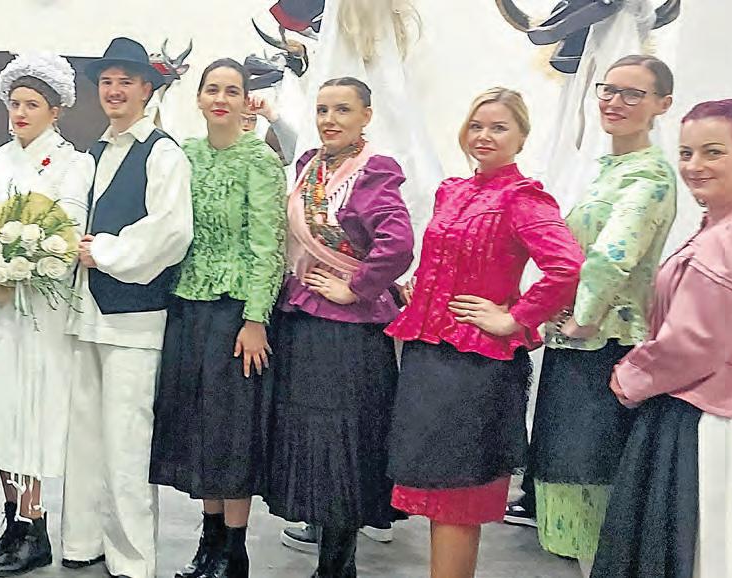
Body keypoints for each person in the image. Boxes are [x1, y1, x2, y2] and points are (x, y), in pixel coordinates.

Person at [592, 98, 732, 578]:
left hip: (720, 424)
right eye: (686, 153)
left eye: (713, 152)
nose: (695, 166)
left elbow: (695, 342)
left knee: (714, 552)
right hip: (713, 415)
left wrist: (630, 376)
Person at [384, 88, 583, 578]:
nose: (484, 136)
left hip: (474, 366)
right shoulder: (451, 190)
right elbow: (446, 257)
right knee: (437, 494)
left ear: (521, 136)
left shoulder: (522, 197)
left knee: (458, 498)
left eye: (498, 127)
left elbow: (567, 266)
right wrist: (422, 288)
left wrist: (515, 318)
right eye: (476, 125)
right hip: (429, 360)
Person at [526, 55, 678, 574]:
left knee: (590, 480)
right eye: (608, 90)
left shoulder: (651, 175)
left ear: (662, 105)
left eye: (633, 94)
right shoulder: (606, 170)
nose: (615, 102)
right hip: (576, 345)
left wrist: (582, 318)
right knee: (566, 477)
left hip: (605, 346)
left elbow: (614, 254)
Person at [261, 77, 413, 577]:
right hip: (304, 322)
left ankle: (336, 566)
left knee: (344, 442)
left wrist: (357, 287)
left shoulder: (375, 171)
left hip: (350, 334)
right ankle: (326, 546)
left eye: (343, 110)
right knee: (311, 437)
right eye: (323, 109)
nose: (330, 120)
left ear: (366, 116)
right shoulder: (310, 165)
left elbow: (398, 245)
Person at [62, 37, 193, 578]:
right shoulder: (91, 154)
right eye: (107, 81)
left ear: (146, 89)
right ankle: (82, 541)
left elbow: (172, 231)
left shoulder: (163, 152)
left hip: (134, 318)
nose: (114, 90)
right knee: (85, 438)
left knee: (127, 444)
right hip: (85, 314)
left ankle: (133, 559)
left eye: (126, 82)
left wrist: (106, 252)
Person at [0, 51, 96, 577]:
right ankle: (12, 520)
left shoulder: (73, 163)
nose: (20, 113)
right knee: (0, 411)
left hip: (42, 307)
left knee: (31, 413)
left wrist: (21, 268)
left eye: (32, 105)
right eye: (15, 103)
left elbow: (67, 234)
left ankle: (34, 524)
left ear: (55, 110)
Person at [151, 58, 286, 578]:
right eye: (212, 90)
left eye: (232, 90)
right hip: (188, 305)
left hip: (236, 313)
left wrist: (256, 319)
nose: (221, 99)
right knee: (198, 428)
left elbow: (269, 245)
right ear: (200, 99)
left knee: (231, 430)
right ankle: (207, 544)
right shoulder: (185, 154)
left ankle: (234, 551)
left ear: (246, 100)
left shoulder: (260, 160)